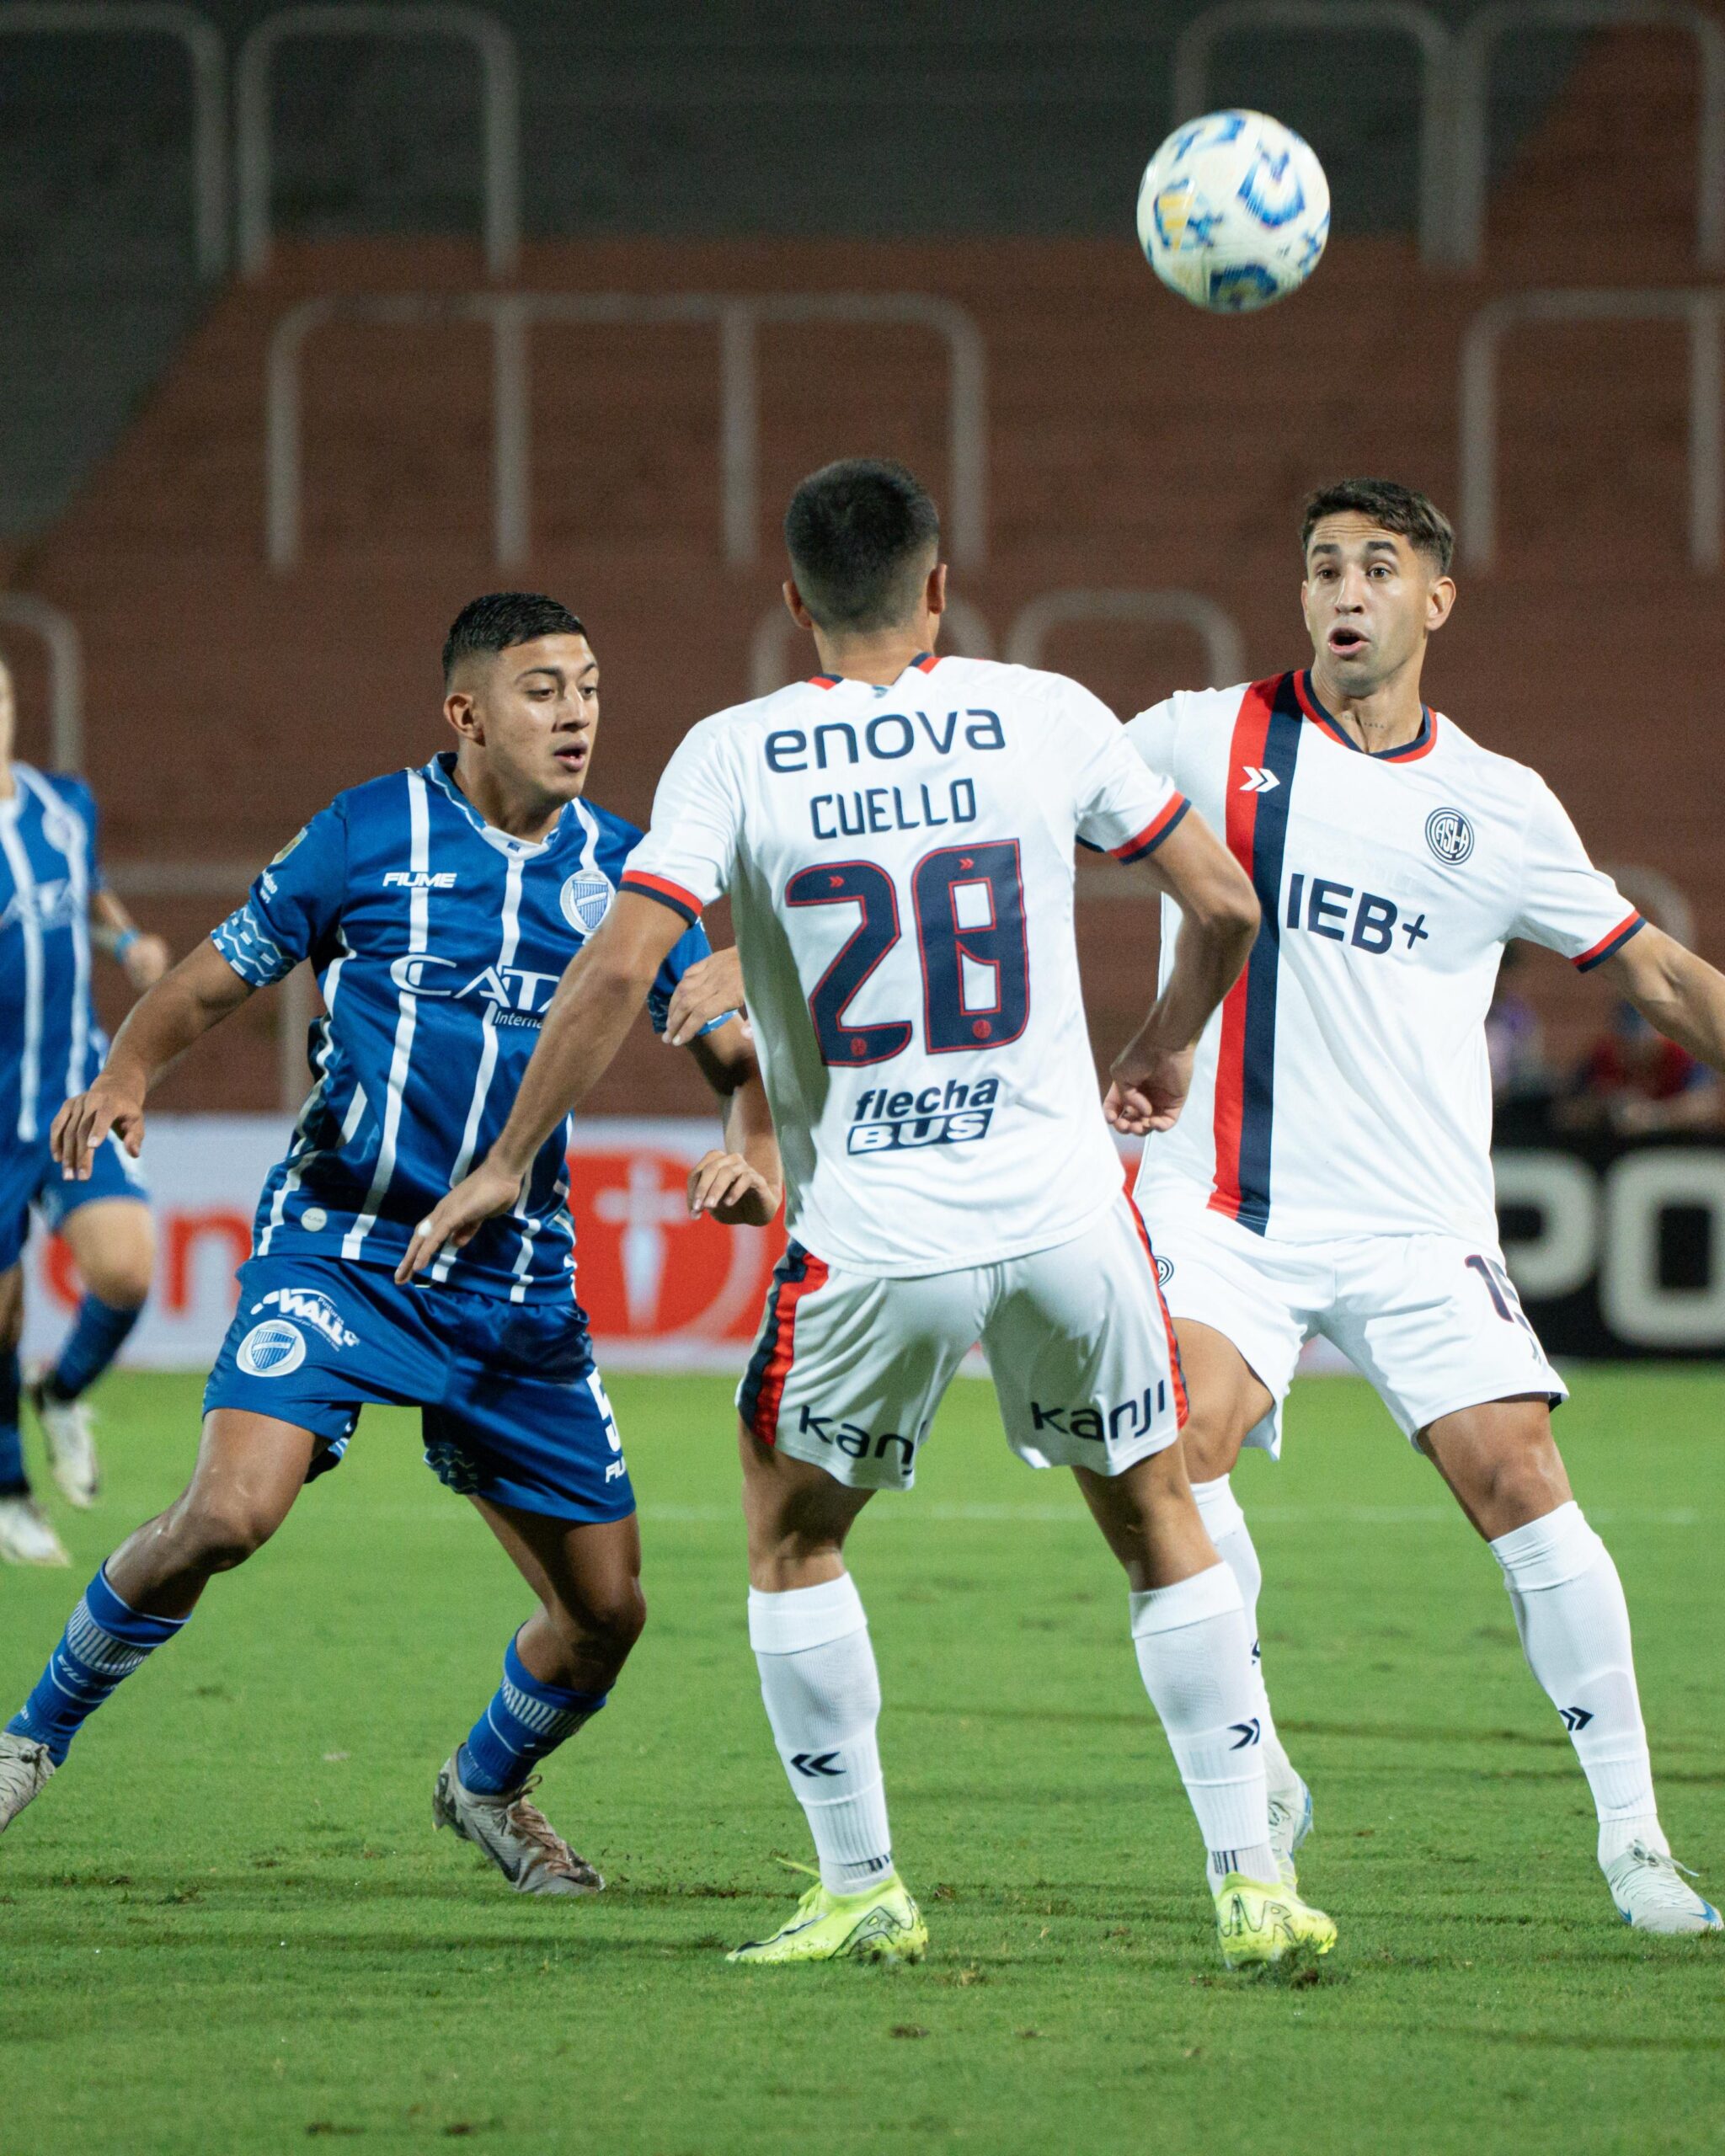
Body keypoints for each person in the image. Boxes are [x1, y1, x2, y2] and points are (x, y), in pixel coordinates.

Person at [398, 461, 1339, 1971]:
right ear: (939, 586)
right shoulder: (1044, 711)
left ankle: (859, 1889)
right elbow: (1224, 902)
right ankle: (1249, 1880)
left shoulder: (735, 753)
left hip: (874, 1236)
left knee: (789, 1534)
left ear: (793, 604)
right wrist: (1164, 1040)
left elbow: (621, 968)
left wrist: (511, 1154)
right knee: (1160, 1525)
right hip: (1062, 1217)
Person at [0, 593, 777, 1898]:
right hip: (343, 1249)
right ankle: (29, 1742)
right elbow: (210, 975)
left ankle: (485, 1786)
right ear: (466, 713)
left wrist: (752, 1151)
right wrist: (132, 1068)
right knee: (227, 1515)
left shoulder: (630, 873)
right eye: (542, 688)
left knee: (607, 1615)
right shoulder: (367, 834)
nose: (578, 710)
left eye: (588, 684)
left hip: (517, 1289)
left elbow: (724, 1048)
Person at [1113, 478, 1720, 1933]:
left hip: (1410, 1221)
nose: (1342, 590)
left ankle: (1635, 1845)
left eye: (1375, 568)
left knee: (1515, 1476)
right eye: (1321, 565)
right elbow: (1018, 804)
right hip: (1219, 1206)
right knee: (1172, 1452)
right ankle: (1253, 1766)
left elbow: (1653, 977)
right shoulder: (1203, 738)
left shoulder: (1498, 807)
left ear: (1432, 600)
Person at [0, 651, 169, 1566]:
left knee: (128, 1272)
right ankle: (10, 1492)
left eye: (0, 699)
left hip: (73, 1089)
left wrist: (127, 938)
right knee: (0, 1314)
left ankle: (60, 1392)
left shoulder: (63, 806)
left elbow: (82, 897)